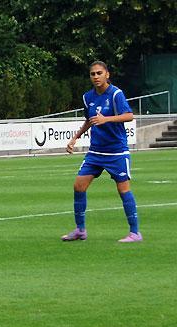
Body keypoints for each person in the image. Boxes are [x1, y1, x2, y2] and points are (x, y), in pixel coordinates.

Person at [63, 61, 141, 243]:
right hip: (96, 152)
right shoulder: (87, 97)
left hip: (116, 152)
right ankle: (80, 230)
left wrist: (107, 119)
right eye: (93, 74)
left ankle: (135, 233)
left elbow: (129, 115)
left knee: (123, 190)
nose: (96, 77)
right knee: (78, 186)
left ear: (107, 74)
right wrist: (75, 138)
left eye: (99, 73)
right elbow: (89, 120)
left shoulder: (115, 94)